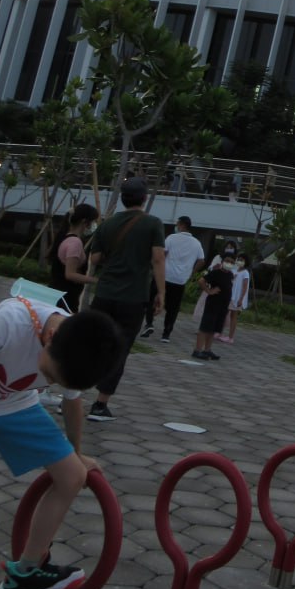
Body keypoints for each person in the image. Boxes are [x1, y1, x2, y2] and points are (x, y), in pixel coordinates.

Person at [0, 293, 122, 589]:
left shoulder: (79, 346)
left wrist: (77, 452)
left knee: (72, 475)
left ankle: (26, 572)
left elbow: (72, 405)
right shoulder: (11, 320)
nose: (48, 381)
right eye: (48, 376)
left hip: (16, 406)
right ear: (50, 337)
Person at [86, 178, 166, 422]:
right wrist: (161, 293)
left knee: (93, 344)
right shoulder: (153, 224)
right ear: (143, 199)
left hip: (104, 293)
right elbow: (158, 260)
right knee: (119, 348)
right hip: (132, 297)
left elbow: (95, 258)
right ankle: (100, 404)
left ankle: (71, 394)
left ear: (122, 199)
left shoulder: (107, 224)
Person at [141, 215, 205, 343]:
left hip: (164, 275)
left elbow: (162, 254)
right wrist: (192, 271)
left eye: (177, 224)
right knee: (173, 308)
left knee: (151, 299)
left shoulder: (171, 238)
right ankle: (166, 334)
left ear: (181, 225)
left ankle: (149, 324)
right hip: (180, 279)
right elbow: (202, 260)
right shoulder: (196, 243)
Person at [49, 203, 99, 314]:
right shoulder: (75, 242)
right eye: (93, 221)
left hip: (58, 294)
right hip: (66, 297)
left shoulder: (64, 237)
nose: (94, 225)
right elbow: (70, 274)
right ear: (84, 222)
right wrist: (97, 281)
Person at [193, 257, 234, 360]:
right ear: (223, 262)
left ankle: (207, 350)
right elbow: (201, 281)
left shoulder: (230, 274)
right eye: (227, 261)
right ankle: (197, 350)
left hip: (223, 306)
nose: (229, 264)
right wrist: (209, 291)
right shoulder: (215, 273)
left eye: (232, 262)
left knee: (214, 328)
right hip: (213, 304)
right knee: (205, 327)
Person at [223, 254, 251, 344]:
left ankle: (230, 337)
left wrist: (241, 299)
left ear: (246, 262)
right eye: (238, 259)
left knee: (233, 316)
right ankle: (219, 332)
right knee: (224, 314)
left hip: (237, 297)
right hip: (229, 295)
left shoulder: (245, 273)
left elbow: (245, 287)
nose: (239, 261)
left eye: (242, 260)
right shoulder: (234, 270)